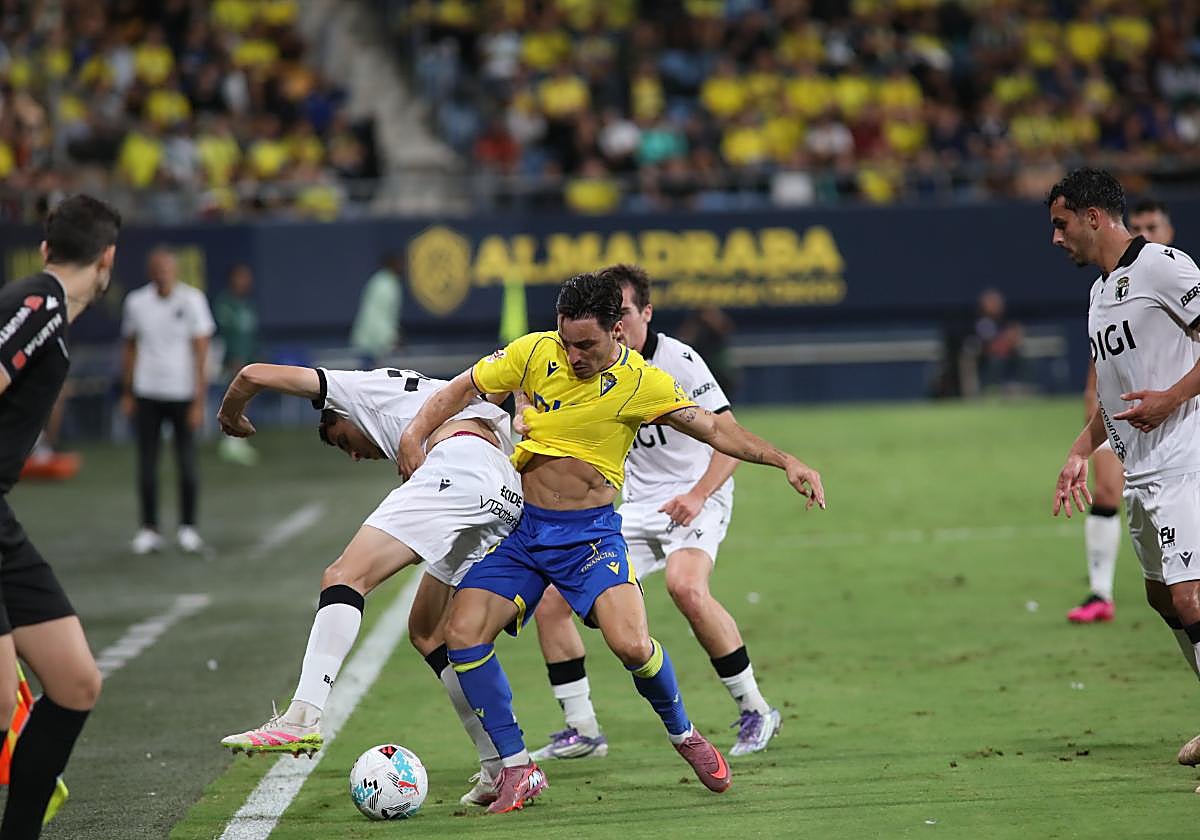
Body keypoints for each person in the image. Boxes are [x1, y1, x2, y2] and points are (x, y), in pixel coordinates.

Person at [398, 270, 826, 815]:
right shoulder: (534, 352)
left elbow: (719, 430)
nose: (573, 355)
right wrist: (414, 433)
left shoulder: (643, 382)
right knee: (461, 634)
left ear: (616, 331)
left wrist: (786, 460)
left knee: (631, 646)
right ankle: (517, 766)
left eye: (586, 345)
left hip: (590, 537)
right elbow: (462, 388)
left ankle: (684, 734)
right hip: (525, 531)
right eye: (567, 341)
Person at [214, 362, 523, 806]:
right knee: (428, 632)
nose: (355, 455)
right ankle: (499, 765)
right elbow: (501, 383)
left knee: (344, 576)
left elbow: (252, 375)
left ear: (341, 413)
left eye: (343, 441)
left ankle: (302, 716)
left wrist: (231, 415)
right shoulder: (430, 391)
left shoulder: (355, 389)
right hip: (504, 490)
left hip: (459, 468)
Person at [528, 264, 779, 764]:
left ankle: (755, 708)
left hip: (698, 492)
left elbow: (726, 438)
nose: (618, 324)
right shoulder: (592, 366)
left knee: (686, 587)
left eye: (625, 312)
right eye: (612, 315)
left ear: (646, 313)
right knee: (552, 601)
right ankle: (582, 728)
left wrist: (699, 495)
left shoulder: (677, 361)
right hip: (639, 506)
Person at [1047, 168, 1200, 769]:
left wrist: (1172, 398)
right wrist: (1079, 452)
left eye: (1061, 224)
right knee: (1162, 598)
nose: (1056, 238)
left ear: (1093, 216)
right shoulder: (1099, 293)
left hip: (1186, 459)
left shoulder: (1164, 266)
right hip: (1141, 471)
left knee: (1190, 597)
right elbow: (1113, 397)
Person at [0, 194, 119, 838]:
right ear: (107, 259)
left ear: (47, 247)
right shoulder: (40, 304)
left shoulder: (44, 310)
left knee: (75, 682)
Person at [1068, 199, 1177, 624]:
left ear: (1169, 231)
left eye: (1154, 225)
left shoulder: (1174, 277)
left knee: (1181, 586)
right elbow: (1104, 356)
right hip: (1125, 418)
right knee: (1107, 492)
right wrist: (1092, 407)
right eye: (1140, 225)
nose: (1146, 233)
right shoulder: (1110, 286)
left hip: (1180, 427)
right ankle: (1100, 591)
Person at [120, 247, 215, 555]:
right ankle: (149, 529)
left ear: (175, 270)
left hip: (182, 392)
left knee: (186, 461)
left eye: (167, 268)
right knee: (147, 462)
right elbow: (130, 347)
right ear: (150, 271)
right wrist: (127, 391)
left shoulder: (192, 300)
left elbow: (202, 351)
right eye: (157, 268)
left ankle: (188, 528)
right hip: (147, 390)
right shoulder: (136, 302)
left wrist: (199, 400)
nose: (162, 274)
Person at [213, 264, 260, 467]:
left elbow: (251, 335)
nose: (245, 281)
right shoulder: (225, 303)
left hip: (249, 361)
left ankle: (238, 440)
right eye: (241, 277)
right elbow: (224, 333)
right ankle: (230, 440)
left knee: (246, 399)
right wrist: (232, 357)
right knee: (232, 398)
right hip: (230, 361)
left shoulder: (249, 304)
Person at [349, 252, 404, 363]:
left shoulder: (384, 281)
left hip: (373, 341)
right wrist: (390, 338)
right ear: (391, 265)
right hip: (372, 342)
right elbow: (378, 315)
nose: (402, 267)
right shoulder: (384, 285)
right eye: (399, 264)